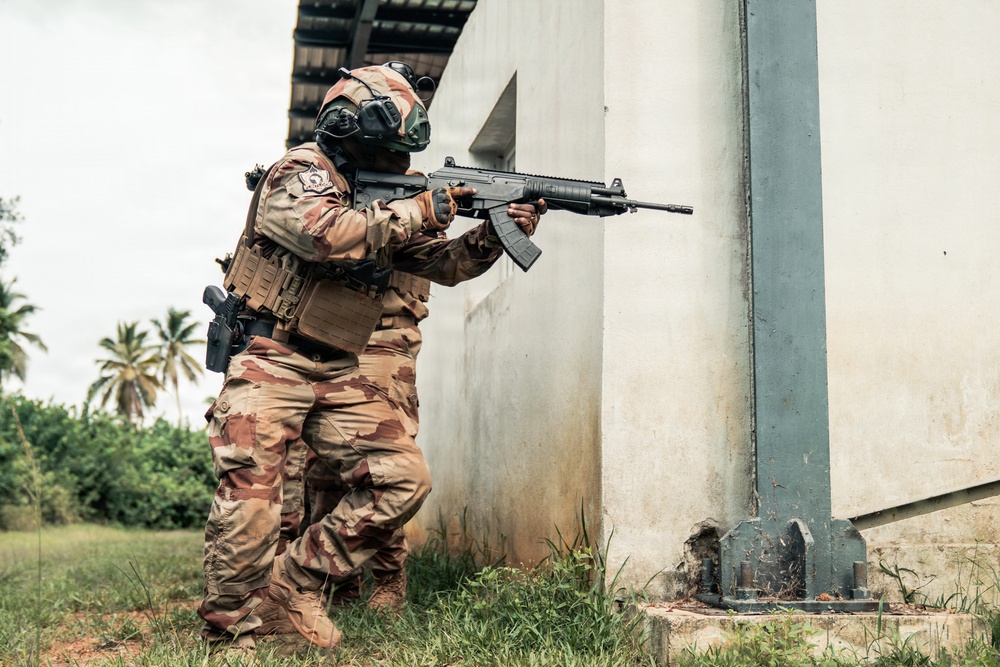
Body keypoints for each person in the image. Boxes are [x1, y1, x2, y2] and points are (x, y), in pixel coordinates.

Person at [198, 62, 545, 658]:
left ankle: (293, 584)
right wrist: (425, 207)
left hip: (337, 368)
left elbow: (443, 264)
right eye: (382, 149)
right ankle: (231, 630)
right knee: (253, 499)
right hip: (271, 359)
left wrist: (493, 233)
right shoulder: (299, 172)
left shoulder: (391, 201)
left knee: (403, 481)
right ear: (346, 132)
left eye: (398, 152)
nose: (394, 164)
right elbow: (324, 234)